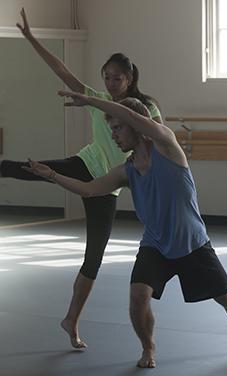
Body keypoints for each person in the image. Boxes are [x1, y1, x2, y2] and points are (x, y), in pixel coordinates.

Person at [24, 90, 227, 368]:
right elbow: (89, 190)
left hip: (192, 243)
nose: (113, 135)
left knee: (226, 296)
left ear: (134, 124)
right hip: (155, 245)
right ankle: (148, 349)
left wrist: (89, 100)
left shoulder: (167, 147)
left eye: (117, 128)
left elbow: (133, 116)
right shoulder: (126, 170)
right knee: (138, 297)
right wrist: (51, 176)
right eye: (111, 129)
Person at [0, 8, 162, 349]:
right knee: (30, 168)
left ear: (129, 78)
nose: (110, 83)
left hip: (109, 186)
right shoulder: (99, 100)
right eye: (106, 77)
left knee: (94, 258)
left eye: (116, 78)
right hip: (85, 165)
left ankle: (71, 320)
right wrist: (32, 38)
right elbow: (62, 70)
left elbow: (157, 138)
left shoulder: (146, 108)